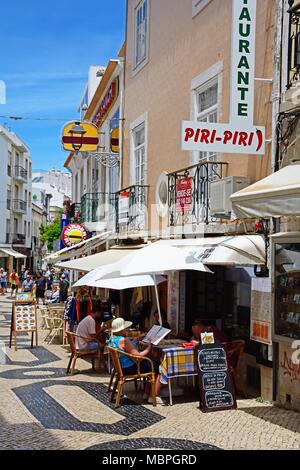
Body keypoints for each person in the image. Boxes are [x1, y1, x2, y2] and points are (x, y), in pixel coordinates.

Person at [108, 317, 163, 404]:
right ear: (121, 330)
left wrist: (135, 339)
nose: (127, 329)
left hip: (122, 368)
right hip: (130, 368)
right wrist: (149, 347)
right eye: (125, 327)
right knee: (158, 366)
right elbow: (139, 357)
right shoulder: (124, 340)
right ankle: (153, 396)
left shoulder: (112, 339)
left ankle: (146, 393)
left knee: (150, 363)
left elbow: (126, 347)